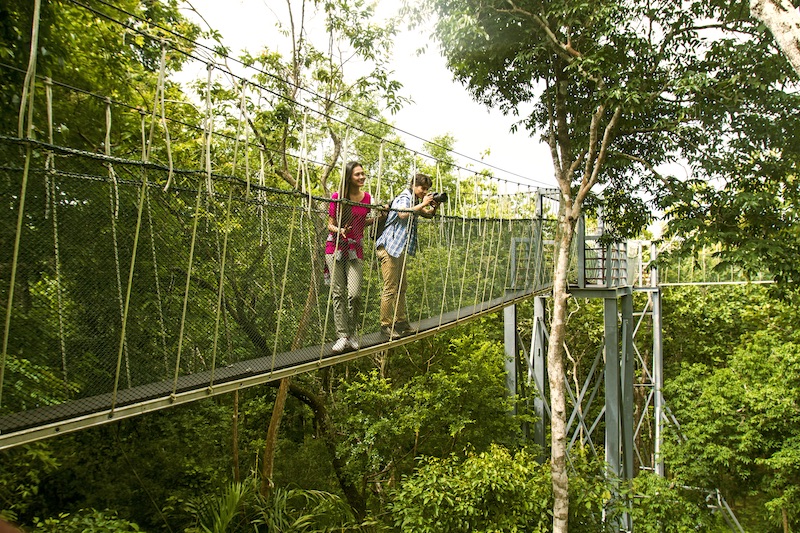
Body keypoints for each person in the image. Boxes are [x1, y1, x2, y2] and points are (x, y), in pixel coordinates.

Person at [375, 173, 439, 340]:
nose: (425, 192)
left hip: (398, 248)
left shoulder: (415, 201)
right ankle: (386, 325)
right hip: (389, 247)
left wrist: (433, 207)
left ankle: (400, 322)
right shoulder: (404, 197)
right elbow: (403, 214)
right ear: (413, 185)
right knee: (390, 288)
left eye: (427, 190)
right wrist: (423, 203)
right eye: (422, 188)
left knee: (402, 286)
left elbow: (427, 214)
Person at [326, 161, 374, 353]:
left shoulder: (367, 198)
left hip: (356, 249)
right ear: (349, 177)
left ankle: (352, 334)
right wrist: (340, 231)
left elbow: (362, 222)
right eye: (357, 175)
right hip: (335, 247)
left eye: (363, 174)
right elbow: (330, 224)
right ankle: (342, 336)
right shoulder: (338, 197)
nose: (362, 177)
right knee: (338, 292)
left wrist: (380, 218)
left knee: (354, 294)